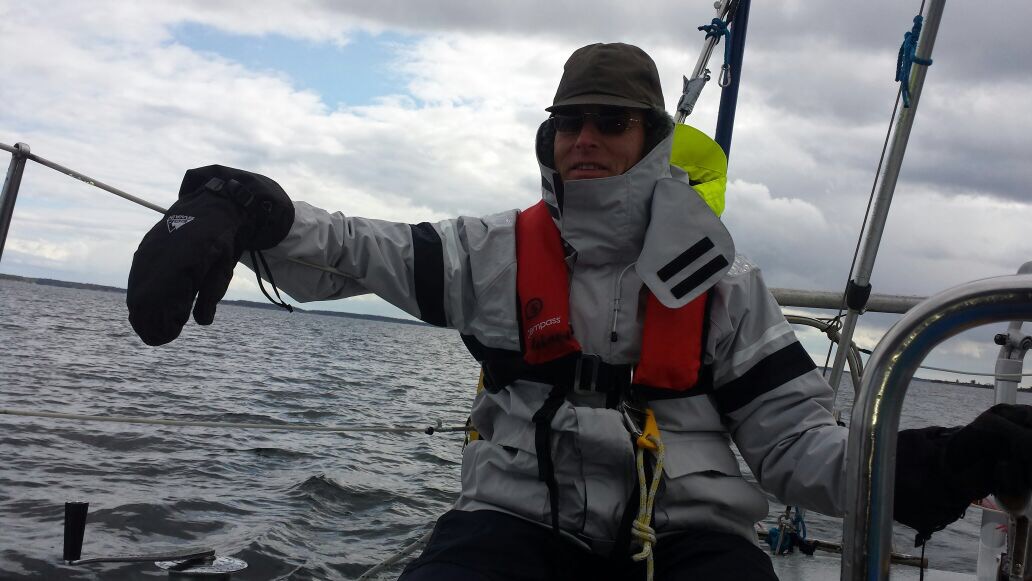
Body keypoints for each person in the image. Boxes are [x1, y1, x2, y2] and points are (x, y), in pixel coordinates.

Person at [125, 43, 1032, 580]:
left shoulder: (724, 282)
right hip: (517, 520)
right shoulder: (492, 251)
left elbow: (796, 445)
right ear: (549, 137)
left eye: (610, 121)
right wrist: (249, 207)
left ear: (651, 142)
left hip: (690, 535)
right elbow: (362, 247)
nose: (585, 138)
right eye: (570, 122)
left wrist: (940, 461)